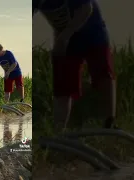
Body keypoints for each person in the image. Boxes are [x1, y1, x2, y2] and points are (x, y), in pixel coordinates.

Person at [33, 0, 116, 130]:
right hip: (66, 38)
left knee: (103, 74)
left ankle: (110, 122)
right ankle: (58, 131)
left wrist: (65, 36)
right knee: (63, 86)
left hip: (93, 32)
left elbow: (87, 8)